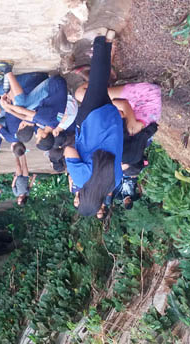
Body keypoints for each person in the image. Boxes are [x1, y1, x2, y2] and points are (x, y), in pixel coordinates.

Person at [64, 30, 123, 217]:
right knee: (97, 81)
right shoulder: (81, 180)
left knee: (100, 84)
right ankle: (101, 40)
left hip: (112, 121)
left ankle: (107, 44)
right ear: (82, 198)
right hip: (91, 122)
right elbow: (69, 151)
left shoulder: (114, 183)